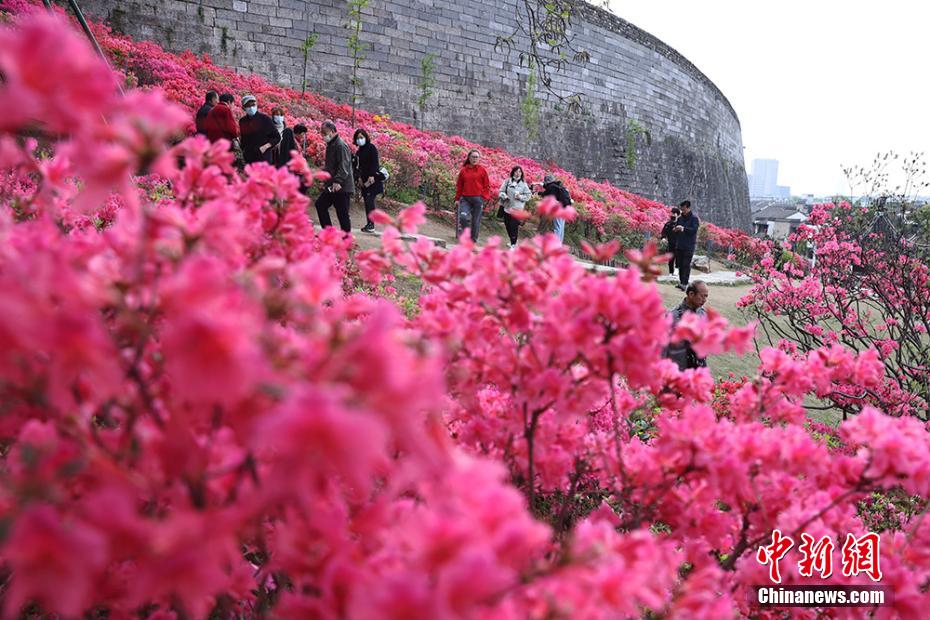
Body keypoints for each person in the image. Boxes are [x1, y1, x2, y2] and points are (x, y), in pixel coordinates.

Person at [315, 120, 354, 232]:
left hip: (341, 186)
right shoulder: (331, 144)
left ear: (332, 131)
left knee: (342, 213)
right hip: (332, 185)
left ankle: (346, 239)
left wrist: (338, 181)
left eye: (324, 132)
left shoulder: (340, 145)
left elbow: (344, 166)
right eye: (321, 132)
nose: (322, 135)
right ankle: (328, 233)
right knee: (320, 205)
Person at [665, 281, 709, 370]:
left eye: (706, 296)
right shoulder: (673, 316)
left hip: (699, 368)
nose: (704, 300)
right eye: (702, 296)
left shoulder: (703, 314)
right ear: (691, 294)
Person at [454, 149, 491, 243]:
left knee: (475, 221)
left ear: (479, 159)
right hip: (465, 199)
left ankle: (473, 240)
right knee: (462, 217)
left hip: (478, 200)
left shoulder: (482, 171)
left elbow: (486, 186)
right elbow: (459, 186)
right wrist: (457, 199)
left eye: (476, 157)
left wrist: (483, 197)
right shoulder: (463, 171)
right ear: (469, 158)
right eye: (473, 157)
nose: (475, 159)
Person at [352, 128, 384, 233]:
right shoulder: (359, 152)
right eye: (357, 138)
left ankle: (371, 224)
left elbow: (375, 163)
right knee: (367, 201)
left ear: (366, 137)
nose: (359, 140)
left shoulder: (371, 148)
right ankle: (369, 224)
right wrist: (359, 178)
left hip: (372, 180)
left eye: (361, 137)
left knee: (370, 201)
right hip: (364, 182)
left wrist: (372, 175)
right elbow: (358, 167)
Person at [238, 94, 280, 165]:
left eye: (253, 105)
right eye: (248, 106)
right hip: (249, 158)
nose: (251, 107)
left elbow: (277, 137)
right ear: (243, 108)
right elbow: (244, 138)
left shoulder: (265, 119)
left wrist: (265, 146)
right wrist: (243, 150)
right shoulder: (242, 121)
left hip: (263, 157)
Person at [498, 166, 531, 249]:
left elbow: (528, 195)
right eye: (516, 171)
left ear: (522, 173)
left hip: (517, 209)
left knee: (513, 226)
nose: (518, 173)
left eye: (520, 172)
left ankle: (514, 244)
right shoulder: (507, 181)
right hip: (507, 207)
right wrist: (504, 195)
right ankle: (512, 241)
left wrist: (520, 197)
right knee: (507, 225)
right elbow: (501, 191)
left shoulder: (523, 184)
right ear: (513, 172)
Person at [673, 200, 700, 291]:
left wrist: (683, 228)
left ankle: (685, 283)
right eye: (681, 209)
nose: (682, 211)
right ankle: (681, 282)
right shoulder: (680, 218)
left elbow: (693, 230)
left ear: (688, 208)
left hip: (689, 246)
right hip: (679, 245)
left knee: (686, 264)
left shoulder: (694, 219)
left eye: (683, 209)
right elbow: (675, 229)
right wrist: (676, 229)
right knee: (680, 264)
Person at [539, 174, 572, 243]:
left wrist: (539, 193)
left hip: (558, 209)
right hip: (565, 208)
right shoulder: (558, 186)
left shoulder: (551, 187)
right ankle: (559, 244)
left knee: (557, 227)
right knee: (561, 227)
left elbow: (549, 197)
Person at [660, 207, 681, 275]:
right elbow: (663, 232)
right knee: (670, 258)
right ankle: (671, 272)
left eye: (674, 213)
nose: (672, 215)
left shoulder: (680, 223)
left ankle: (677, 268)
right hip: (671, 243)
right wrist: (663, 238)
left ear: (677, 215)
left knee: (678, 257)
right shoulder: (668, 224)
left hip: (679, 243)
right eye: (671, 213)